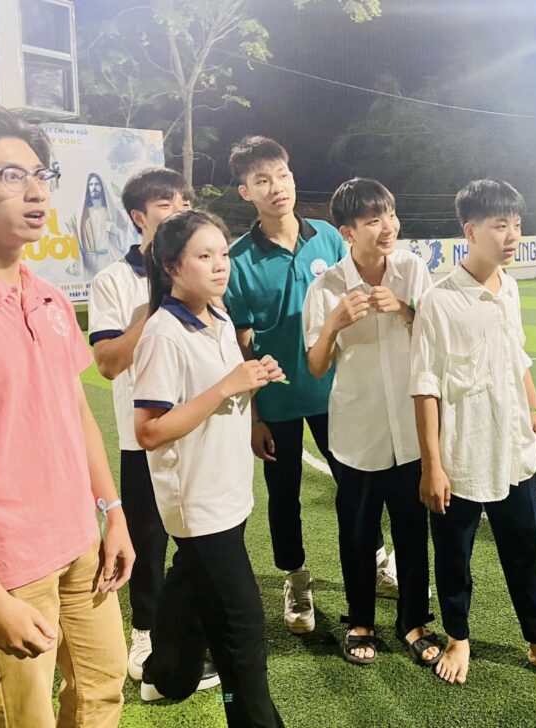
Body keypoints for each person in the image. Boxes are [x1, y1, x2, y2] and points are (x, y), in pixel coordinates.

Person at [0, 105, 132, 726]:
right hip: (3, 561)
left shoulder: (47, 296)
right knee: (23, 718)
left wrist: (112, 512)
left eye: (42, 174)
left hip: (78, 541)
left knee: (102, 692)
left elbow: (76, 413)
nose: (38, 191)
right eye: (11, 176)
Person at [410, 179, 536, 691]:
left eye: (516, 224)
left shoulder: (509, 288)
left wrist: (534, 407)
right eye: (499, 225)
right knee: (454, 553)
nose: (512, 235)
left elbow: (517, 355)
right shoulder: (439, 302)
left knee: (526, 545)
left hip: (512, 447)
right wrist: (432, 466)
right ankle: (458, 636)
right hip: (462, 454)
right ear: (470, 231)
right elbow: (424, 387)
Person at [223, 136, 395, 635]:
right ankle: (296, 578)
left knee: (358, 484)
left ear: (293, 177)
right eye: (262, 180)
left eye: (282, 175)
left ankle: (377, 559)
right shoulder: (238, 259)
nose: (276, 188)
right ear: (245, 192)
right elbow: (241, 343)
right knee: (284, 496)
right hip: (277, 399)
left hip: (335, 394)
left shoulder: (328, 239)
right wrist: (254, 416)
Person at [133, 210, 286, 726]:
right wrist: (226, 386)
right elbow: (149, 430)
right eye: (204, 255)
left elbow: (222, 390)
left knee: (192, 584)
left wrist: (253, 375)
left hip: (227, 490)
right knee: (242, 628)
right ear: (171, 266)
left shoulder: (218, 316)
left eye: (223, 253)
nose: (221, 264)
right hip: (197, 503)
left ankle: (166, 674)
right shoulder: (163, 333)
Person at [303, 178, 443, 667]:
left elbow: (434, 336)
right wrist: (334, 324)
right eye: (373, 220)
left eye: (391, 215)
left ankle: (414, 622)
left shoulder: (412, 270)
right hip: (357, 432)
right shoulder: (326, 287)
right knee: (358, 533)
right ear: (347, 232)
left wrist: (404, 309)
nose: (388, 227)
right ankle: (360, 621)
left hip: (410, 429)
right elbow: (316, 365)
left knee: (412, 530)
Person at [89, 167, 201, 682]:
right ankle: (145, 634)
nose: (179, 210)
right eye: (165, 203)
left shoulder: (198, 267)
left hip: (200, 432)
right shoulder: (113, 280)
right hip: (146, 435)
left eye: (185, 202)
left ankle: (195, 630)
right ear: (139, 217)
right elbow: (109, 363)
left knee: (204, 537)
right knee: (149, 542)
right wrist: (155, 308)